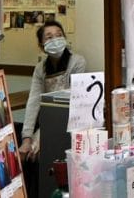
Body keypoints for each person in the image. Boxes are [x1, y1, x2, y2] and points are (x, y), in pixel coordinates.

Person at [20, 20, 86, 160]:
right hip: (48, 120)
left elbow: (73, 100)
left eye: (59, 35)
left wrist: (44, 133)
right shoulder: (40, 69)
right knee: (32, 152)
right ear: (41, 45)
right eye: (49, 37)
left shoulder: (78, 62)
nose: (55, 40)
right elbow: (33, 102)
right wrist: (26, 138)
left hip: (71, 122)